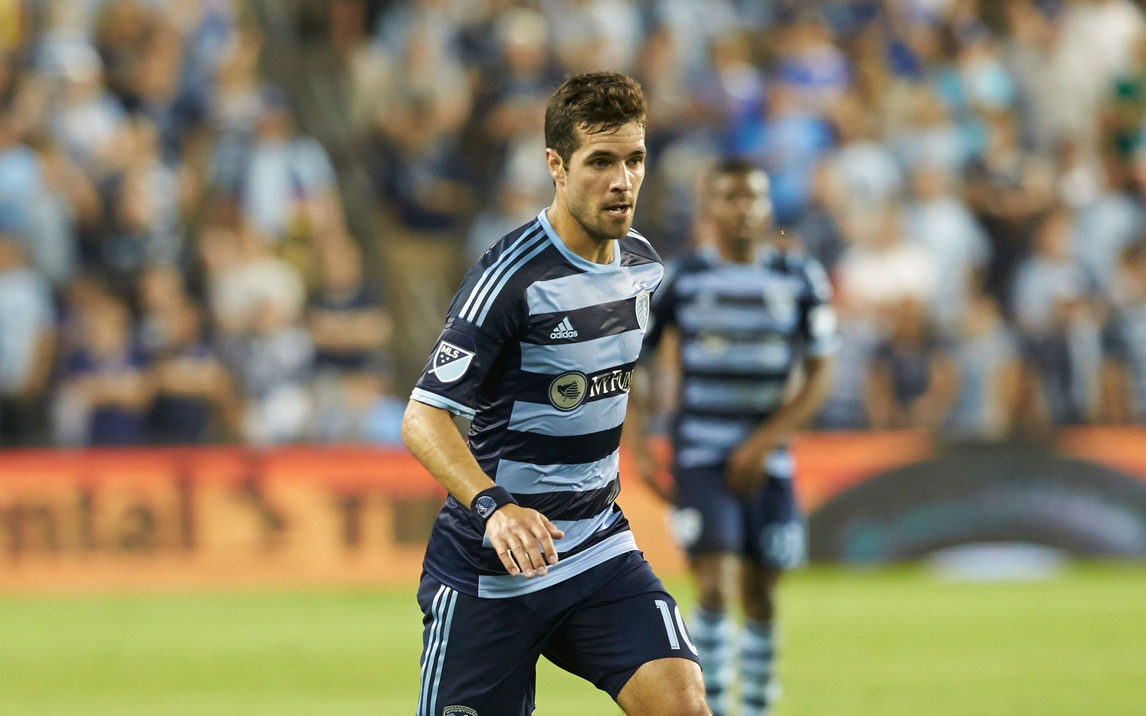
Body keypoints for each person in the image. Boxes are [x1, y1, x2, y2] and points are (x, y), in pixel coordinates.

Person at [401, 71, 709, 716]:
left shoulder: (642, 265)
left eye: (635, 160)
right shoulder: (509, 279)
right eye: (600, 162)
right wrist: (498, 509)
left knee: (685, 706)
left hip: (598, 550)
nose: (622, 181)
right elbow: (424, 418)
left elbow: (624, 363)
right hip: (493, 567)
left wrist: (642, 441)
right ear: (556, 166)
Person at [627, 158, 837, 716]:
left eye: (753, 198)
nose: (743, 209)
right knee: (715, 582)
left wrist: (765, 442)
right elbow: (635, 360)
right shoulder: (683, 278)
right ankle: (713, 705)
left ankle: (758, 707)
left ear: (769, 207)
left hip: (769, 460)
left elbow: (820, 374)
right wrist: (640, 440)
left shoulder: (799, 278)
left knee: (763, 590)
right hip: (699, 453)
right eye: (729, 198)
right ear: (710, 208)